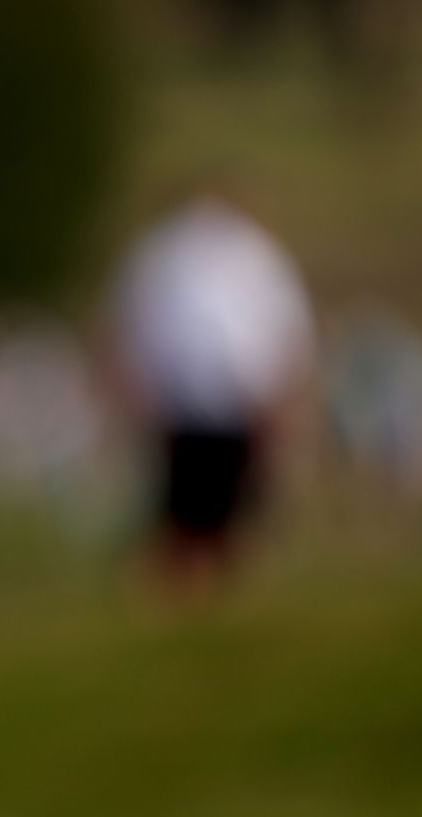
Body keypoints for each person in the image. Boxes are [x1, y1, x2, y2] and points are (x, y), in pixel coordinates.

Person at [110, 193, 315, 587]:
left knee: (229, 504)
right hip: (180, 402)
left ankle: (212, 579)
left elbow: (285, 326)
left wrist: (282, 393)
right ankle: (183, 578)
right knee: (184, 503)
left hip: (237, 400)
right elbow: (133, 322)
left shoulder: (253, 254)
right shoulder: (162, 254)